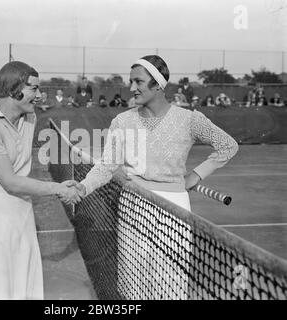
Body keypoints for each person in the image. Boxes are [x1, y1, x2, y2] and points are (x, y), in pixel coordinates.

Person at [65, 55, 238, 299]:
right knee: (133, 285)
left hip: (175, 210)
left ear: (157, 84)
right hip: (133, 206)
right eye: (130, 81)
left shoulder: (190, 119)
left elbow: (228, 146)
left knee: (170, 285)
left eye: (139, 81)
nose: (132, 88)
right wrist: (82, 188)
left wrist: (195, 176)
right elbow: (106, 166)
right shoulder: (122, 121)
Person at [0, 61, 80, 300]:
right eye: (33, 89)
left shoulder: (29, 117)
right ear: (12, 89)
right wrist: (58, 188)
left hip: (22, 208)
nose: (38, 95)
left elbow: (18, 181)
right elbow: (10, 182)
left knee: (24, 281)